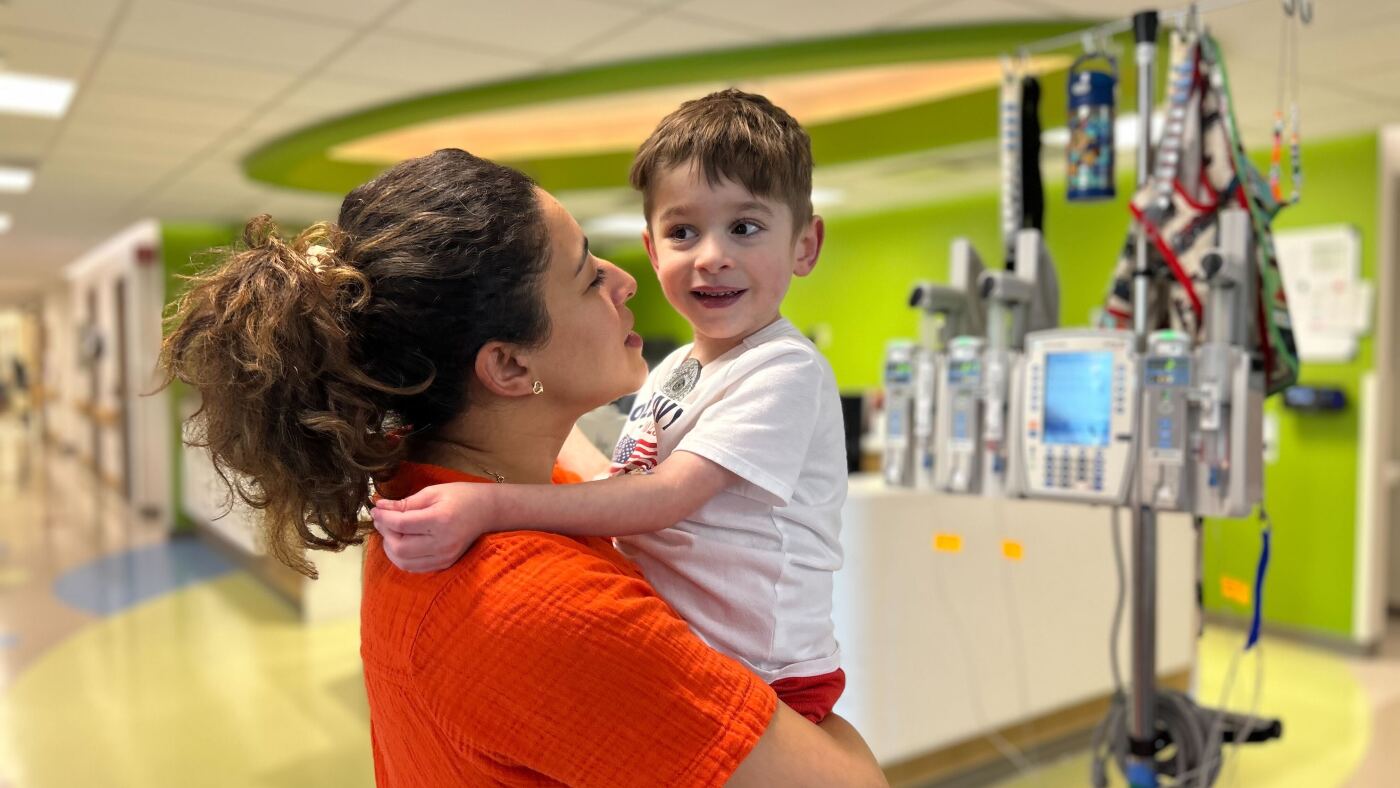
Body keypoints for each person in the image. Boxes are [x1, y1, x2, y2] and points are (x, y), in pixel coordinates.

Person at [160, 148, 884, 787]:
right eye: (587, 276)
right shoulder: (550, 607)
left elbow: (589, 482)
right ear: (508, 366)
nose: (627, 281)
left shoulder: (437, 493)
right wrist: (817, 720)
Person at [372, 90, 849, 724]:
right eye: (683, 232)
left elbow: (662, 497)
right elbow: (626, 478)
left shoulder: (784, 369)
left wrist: (490, 504)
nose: (711, 256)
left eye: (745, 227)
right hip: (694, 654)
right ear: (653, 251)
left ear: (805, 246)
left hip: (768, 670)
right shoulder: (676, 370)